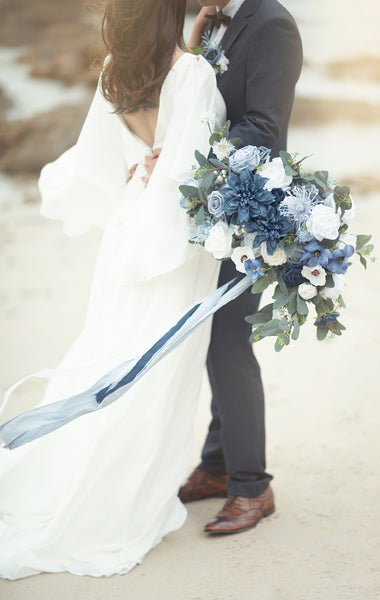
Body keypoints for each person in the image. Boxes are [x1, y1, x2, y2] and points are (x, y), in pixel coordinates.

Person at [0, 0, 226, 579]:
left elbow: (96, 166)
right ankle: (121, 503)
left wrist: (140, 168)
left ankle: (77, 477)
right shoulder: (193, 73)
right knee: (153, 377)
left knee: (107, 359)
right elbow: (190, 170)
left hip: (128, 232)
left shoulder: (114, 72)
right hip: (174, 249)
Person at [178, 0, 303, 535]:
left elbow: (264, 129)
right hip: (217, 209)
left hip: (253, 213)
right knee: (212, 336)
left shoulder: (272, 24)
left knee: (230, 342)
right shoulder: (214, 20)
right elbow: (195, 104)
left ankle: (252, 486)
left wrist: (187, 159)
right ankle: (216, 462)